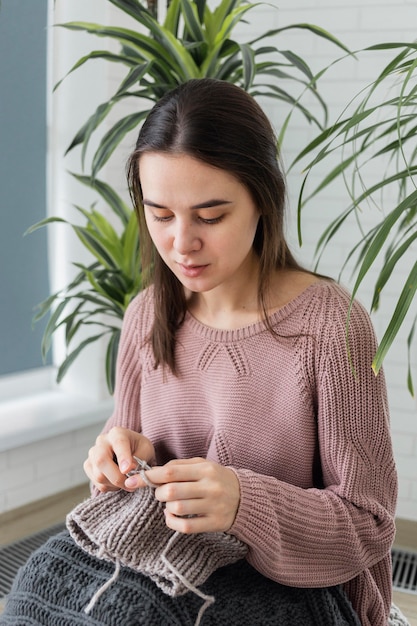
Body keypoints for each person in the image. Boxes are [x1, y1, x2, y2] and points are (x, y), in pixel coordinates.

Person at [1, 78, 400, 626]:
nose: (181, 243)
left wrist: (242, 503)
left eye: (210, 216)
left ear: (263, 200)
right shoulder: (148, 314)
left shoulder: (332, 327)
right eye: (160, 215)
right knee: (33, 587)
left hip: (295, 588)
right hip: (168, 556)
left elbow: (369, 525)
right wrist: (116, 462)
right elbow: (129, 476)